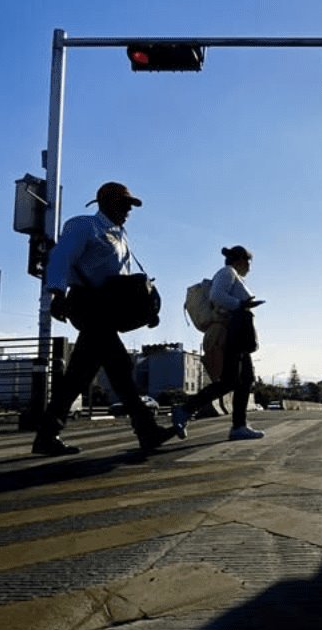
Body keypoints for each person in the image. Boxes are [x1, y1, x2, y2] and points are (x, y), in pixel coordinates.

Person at [32, 181, 177, 456]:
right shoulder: (84, 225)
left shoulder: (120, 235)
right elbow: (61, 256)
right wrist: (56, 293)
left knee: (80, 374)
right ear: (106, 203)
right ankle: (146, 430)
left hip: (106, 309)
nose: (128, 211)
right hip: (87, 303)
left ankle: (46, 435)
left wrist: (145, 311)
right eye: (124, 204)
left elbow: (122, 282)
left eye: (130, 206)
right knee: (119, 366)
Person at [172, 246, 265, 441]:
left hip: (237, 334)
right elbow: (216, 296)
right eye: (248, 262)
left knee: (245, 379)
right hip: (229, 334)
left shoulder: (233, 276)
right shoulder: (227, 272)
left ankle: (239, 426)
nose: (250, 267)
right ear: (240, 260)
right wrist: (242, 304)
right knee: (230, 381)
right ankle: (185, 409)